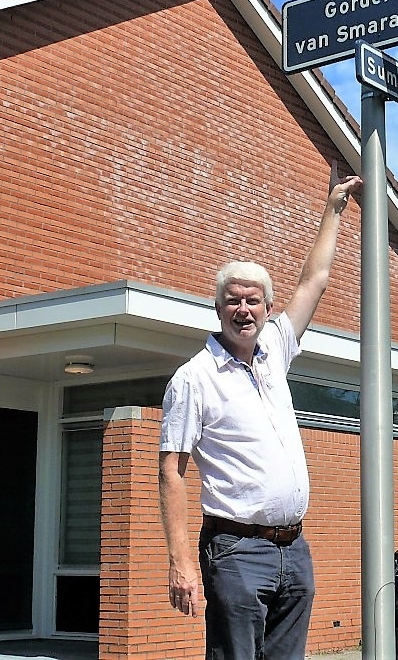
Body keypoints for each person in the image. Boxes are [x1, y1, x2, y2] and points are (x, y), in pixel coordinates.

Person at [158, 172, 363, 660]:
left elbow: (314, 279)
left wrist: (333, 208)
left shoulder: (275, 349)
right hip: (236, 551)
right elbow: (171, 472)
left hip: (294, 549)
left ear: (269, 309)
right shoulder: (194, 377)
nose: (244, 309)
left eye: (253, 300)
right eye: (234, 300)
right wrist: (180, 563)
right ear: (218, 307)